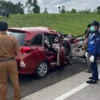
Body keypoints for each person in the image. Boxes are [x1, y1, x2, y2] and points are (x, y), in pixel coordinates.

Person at [0, 21, 25, 100]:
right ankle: (16, 98)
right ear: (7, 28)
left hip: (1, 63)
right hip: (11, 62)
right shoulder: (12, 38)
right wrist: (22, 61)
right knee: (14, 81)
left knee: (2, 83)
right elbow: (18, 52)